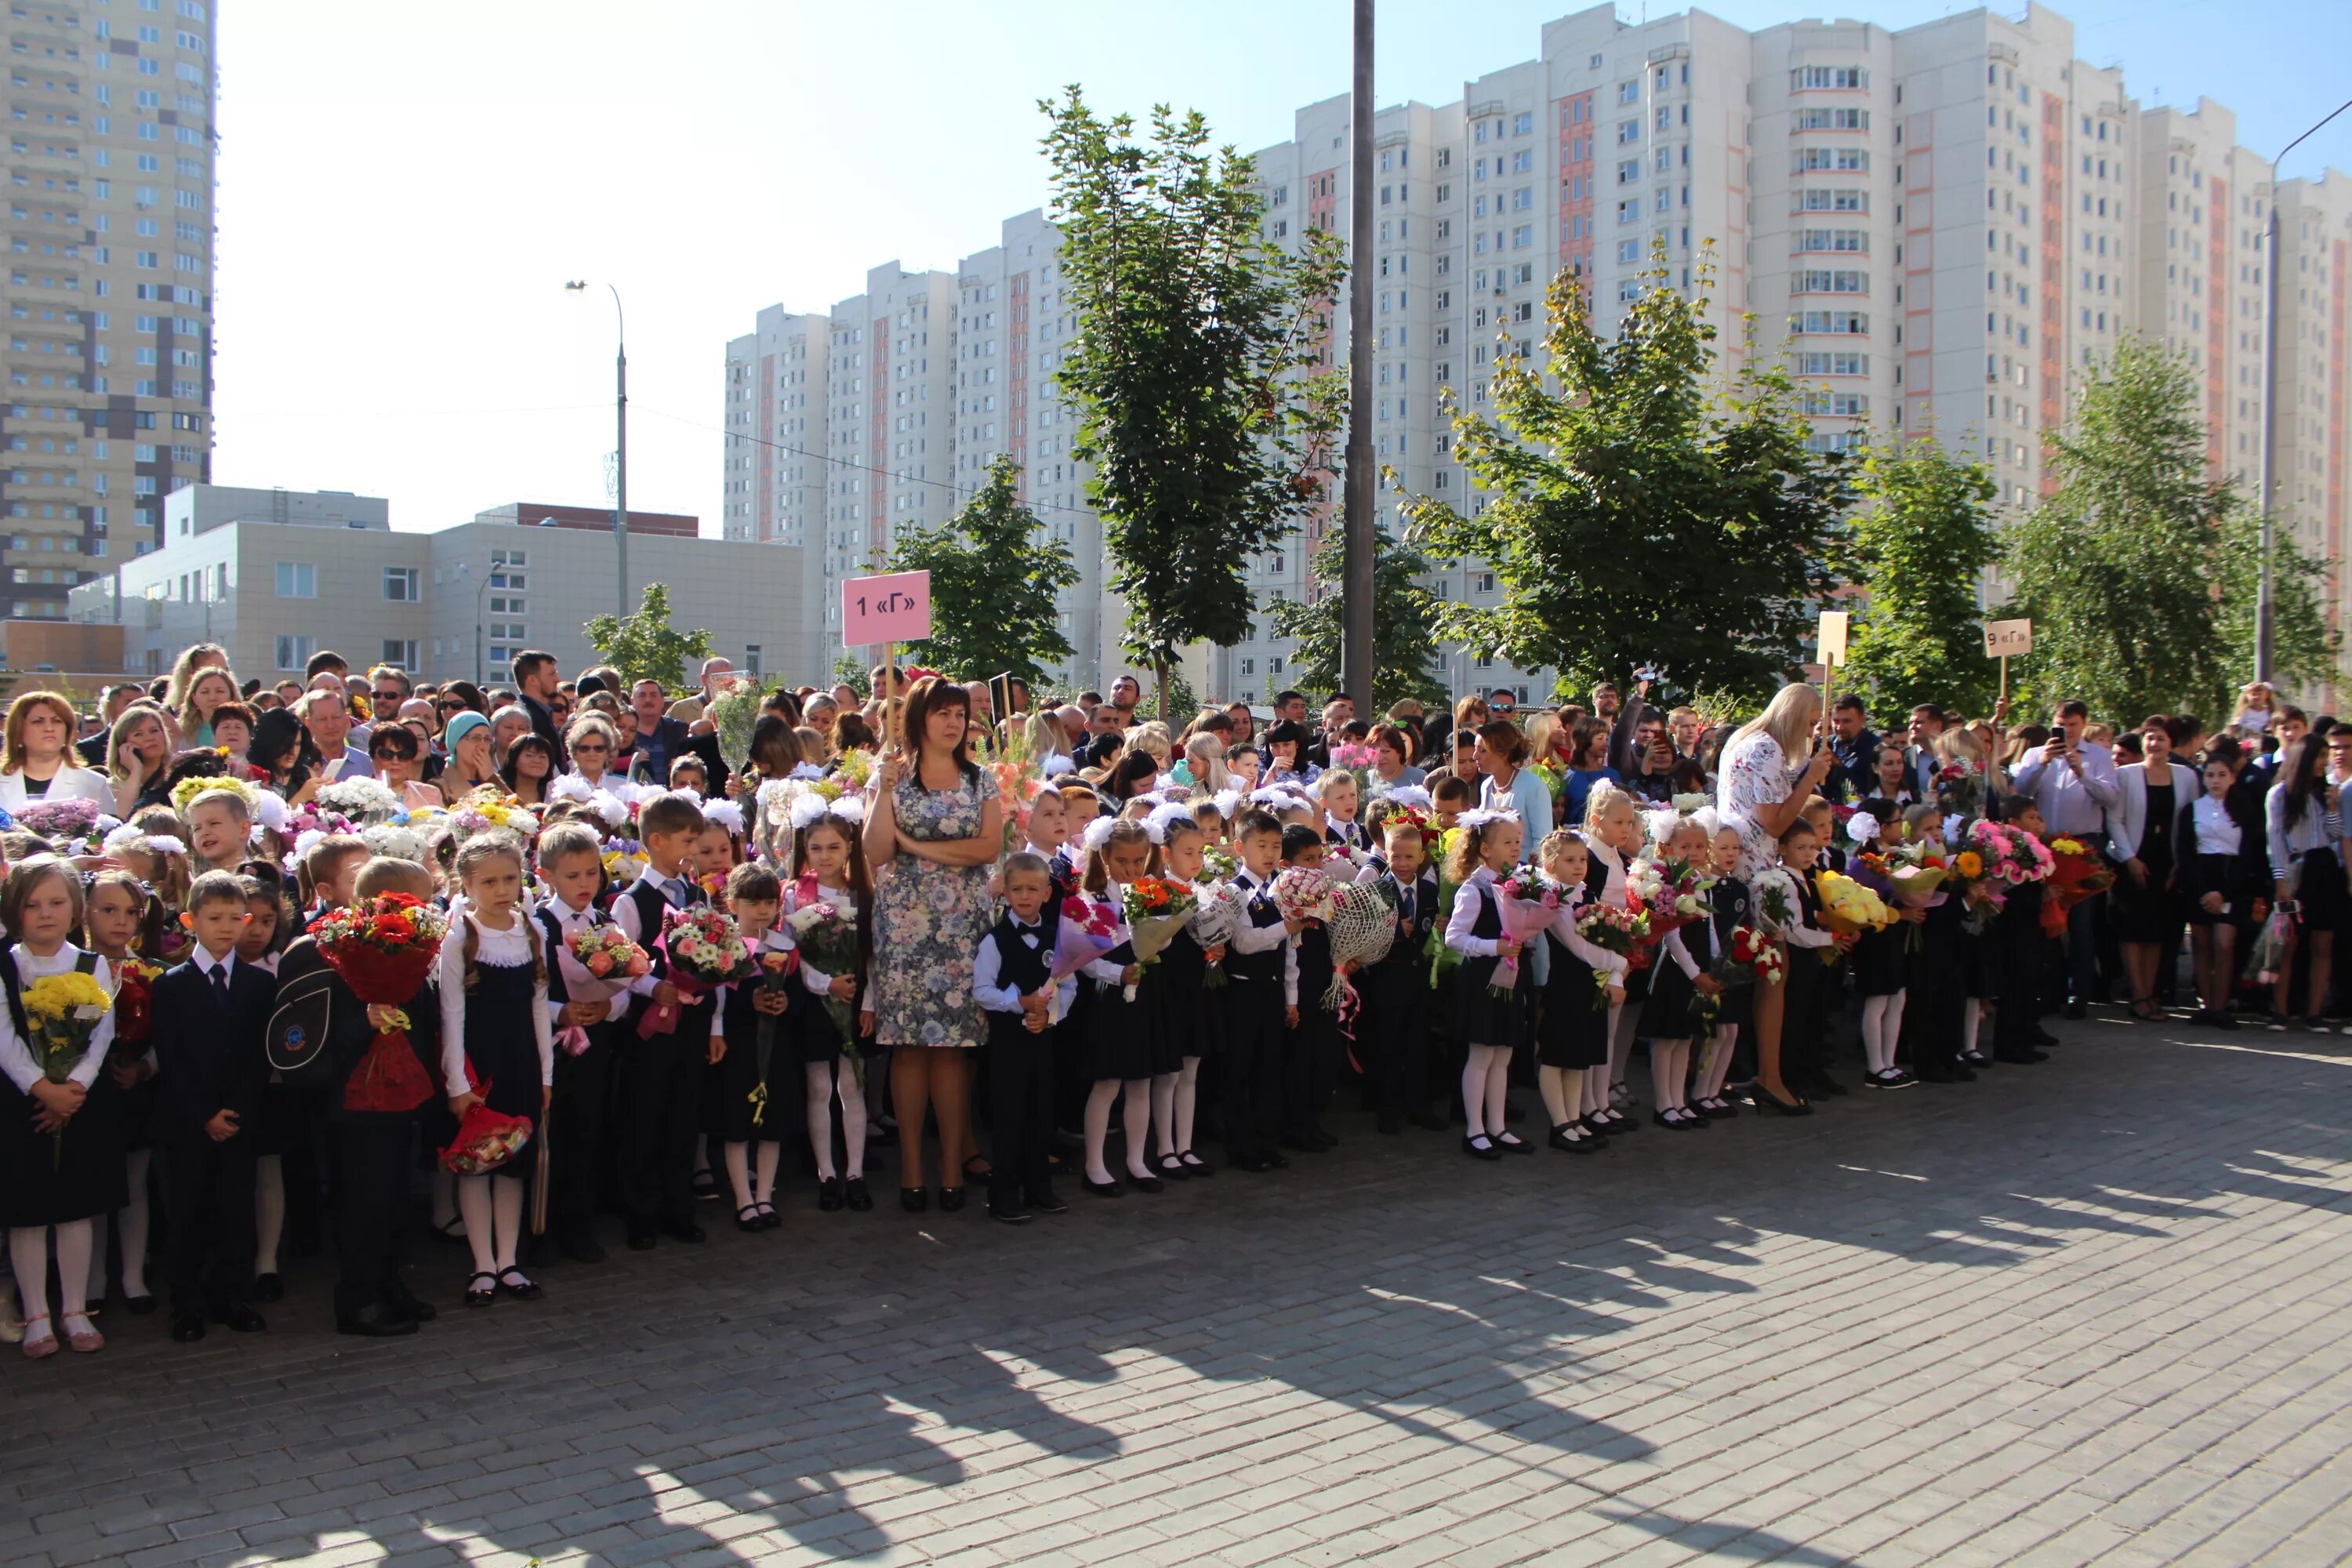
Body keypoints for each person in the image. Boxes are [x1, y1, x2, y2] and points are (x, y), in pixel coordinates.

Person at [862, 677, 1002, 1214]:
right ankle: (913, 1172)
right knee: (909, 1049)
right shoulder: (893, 777)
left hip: (963, 923)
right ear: (917, 718)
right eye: (941, 712)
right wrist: (884, 791)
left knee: (953, 1049)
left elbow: (986, 848)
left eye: (959, 714)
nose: (952, 722)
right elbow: (876, 853)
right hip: (903, 926)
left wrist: (917, 845)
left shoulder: (980, 780)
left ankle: (950, 1169)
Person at [0, 856, 126, 1357]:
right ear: (15, 911)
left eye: (56, 903)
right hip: (21, 1105)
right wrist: (41, 1088)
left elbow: (100, 1034)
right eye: (32, 905)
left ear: (75, 909)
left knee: (75, 1210)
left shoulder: (90, 965)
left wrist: (71, 1090)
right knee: (28, 1213)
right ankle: (36, 1313)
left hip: (80, 1103)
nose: (45, 914)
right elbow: (5, 1040)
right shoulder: (6, 964)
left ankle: (74, 1309)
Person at [147, 867, 278, 1343]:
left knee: (235, 1210)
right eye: (214, 917)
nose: (226, 927)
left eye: (234, 917)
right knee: (188, 1213)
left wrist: (234, 1111)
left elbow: (259, 1057)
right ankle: (187, 1303)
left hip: (238, 1120)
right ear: (190, 921)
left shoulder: (259, 985)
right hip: (189, 1122)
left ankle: (232, 1296)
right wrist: (204, 1114)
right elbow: (172, 1058)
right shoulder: (171, 985)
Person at [437, 837, 554, 1308]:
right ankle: (481, 1262)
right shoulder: (460, 938)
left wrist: (547, 1075)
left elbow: (540, 1007)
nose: (501, 889)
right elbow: (451, 1015)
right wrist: (457, 1085)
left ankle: (508, 1260)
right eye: (488, 881)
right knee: (477, 1164)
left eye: (510, 878)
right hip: (478, 1071)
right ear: (465, 885)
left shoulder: (531, 932)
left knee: (513, 1167)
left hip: (522, 1064)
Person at [1716, 681, 1835, 1113]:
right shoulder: (1766, 747)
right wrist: (1810, 779)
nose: (1810, 732)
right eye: (1809, 723)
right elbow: (1774, 820)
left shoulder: (1743, 738)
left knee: (1762, 976)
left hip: (1746, 867)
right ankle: (1769, 1076)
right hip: (1755, 874)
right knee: (1772, 976)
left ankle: (1752, 1073)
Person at [610, 792, 722, 1250]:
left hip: (692, 1024)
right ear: (656, 841)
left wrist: (714, 1025)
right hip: (651, 1027)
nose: (693, 849)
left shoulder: (699, 896)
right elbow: (621, 964)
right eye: (687, 840)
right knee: (646, 1116)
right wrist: (652, 986)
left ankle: (680, 1208)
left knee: (683, 1116)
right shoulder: (631, 902)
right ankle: (641, 1213)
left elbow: (719, 960)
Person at [2010, 700, 2121, 1018]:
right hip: (2043, 843)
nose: (2067, 731)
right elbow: (2020, 791)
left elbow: (2110, 798)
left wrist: (2082, 772)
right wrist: (2042, 762)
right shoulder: (2036, 754)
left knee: (2081, 922)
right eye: (2061, 724)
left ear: (2083, 725)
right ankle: (2050, 989)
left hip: (2082, 843)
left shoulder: (2098, 757)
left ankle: (2079, 992)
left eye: (2072, 725)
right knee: (2047, 916)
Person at [710, 862, 796, 1233]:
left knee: (771, 1124)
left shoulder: (786, 946)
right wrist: (751, 1002)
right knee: (737, 1125)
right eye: (752, 902)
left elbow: (800, 1000)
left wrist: (784, 1004)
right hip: (739, 1047)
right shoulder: (723, 948)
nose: (762, 910)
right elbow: (717, 1003)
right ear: (732, 905)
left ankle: (765, 1196)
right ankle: (744, 1200)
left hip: (775, 1047)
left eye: (769, 903)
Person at [1442, 808, 1534, 1159]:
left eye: (1518, 841)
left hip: (1510, 976)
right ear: (1485, 849)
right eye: (1508, 842)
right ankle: (1475, 1129)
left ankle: (1498, 1126)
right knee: (1481, 1055)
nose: (1515, 848)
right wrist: (1492, 946)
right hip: (1482, 978)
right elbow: (1455, 937)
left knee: (1503, 1054)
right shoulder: (1474, 888)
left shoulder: (1520, 883)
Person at [2108, 717, 2195, 1021]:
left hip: (2167, 860)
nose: (2154, 743)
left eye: (2160, 738)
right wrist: (2129, 858)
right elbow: (2115, 820)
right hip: (2134, 857)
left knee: (2157, 931)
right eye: (2149, 738)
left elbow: (2189, 824)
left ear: (2171, 743)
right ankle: (2138, 994)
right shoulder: (2127, 775)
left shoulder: (2186, 777)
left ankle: (2152, 993)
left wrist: (2180, 864)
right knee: (2133, 930)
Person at [2264, 735, 2343, 1033]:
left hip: (2324, 867)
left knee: (2323, 943)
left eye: (2326, 756)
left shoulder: (2323, 792)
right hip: (2295, 868)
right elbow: (2274, 841)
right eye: (2319, 756)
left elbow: (2334, 834)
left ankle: (2315, 1011)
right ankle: (2280, 1010)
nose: (2324, 762)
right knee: (2289, 943)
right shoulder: (2280, 794)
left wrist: (2333, 806)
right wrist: (2280, 879)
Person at [0, 690, 117, 812]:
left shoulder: (93, 783)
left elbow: (108, 827)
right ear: (18, 731)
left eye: (57, 721)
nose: (49, 728)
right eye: (37, 721)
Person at [298, 688, 370, 782]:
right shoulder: (299, 764)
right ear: (308, 724)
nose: (330, 725)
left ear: (347, 720)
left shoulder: (366, 763)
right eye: (322, 719)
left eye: (336, 717)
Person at [511, 650, 567, 768]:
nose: (558, 679)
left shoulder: (541, 713)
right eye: (551, 674)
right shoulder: (525, 719)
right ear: (532, 680)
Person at [438, 710, 501, 798]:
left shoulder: (495, 778)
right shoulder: (440, 785)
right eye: (475, 738)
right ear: (456, 742)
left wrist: (491, 778)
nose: (482, 746)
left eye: (487, 739)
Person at [499, 733, 558, 808]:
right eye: (529, 755)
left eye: (542, 757)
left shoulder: (554, 796)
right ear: (514, 760)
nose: (537, 761)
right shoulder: (499, 795)